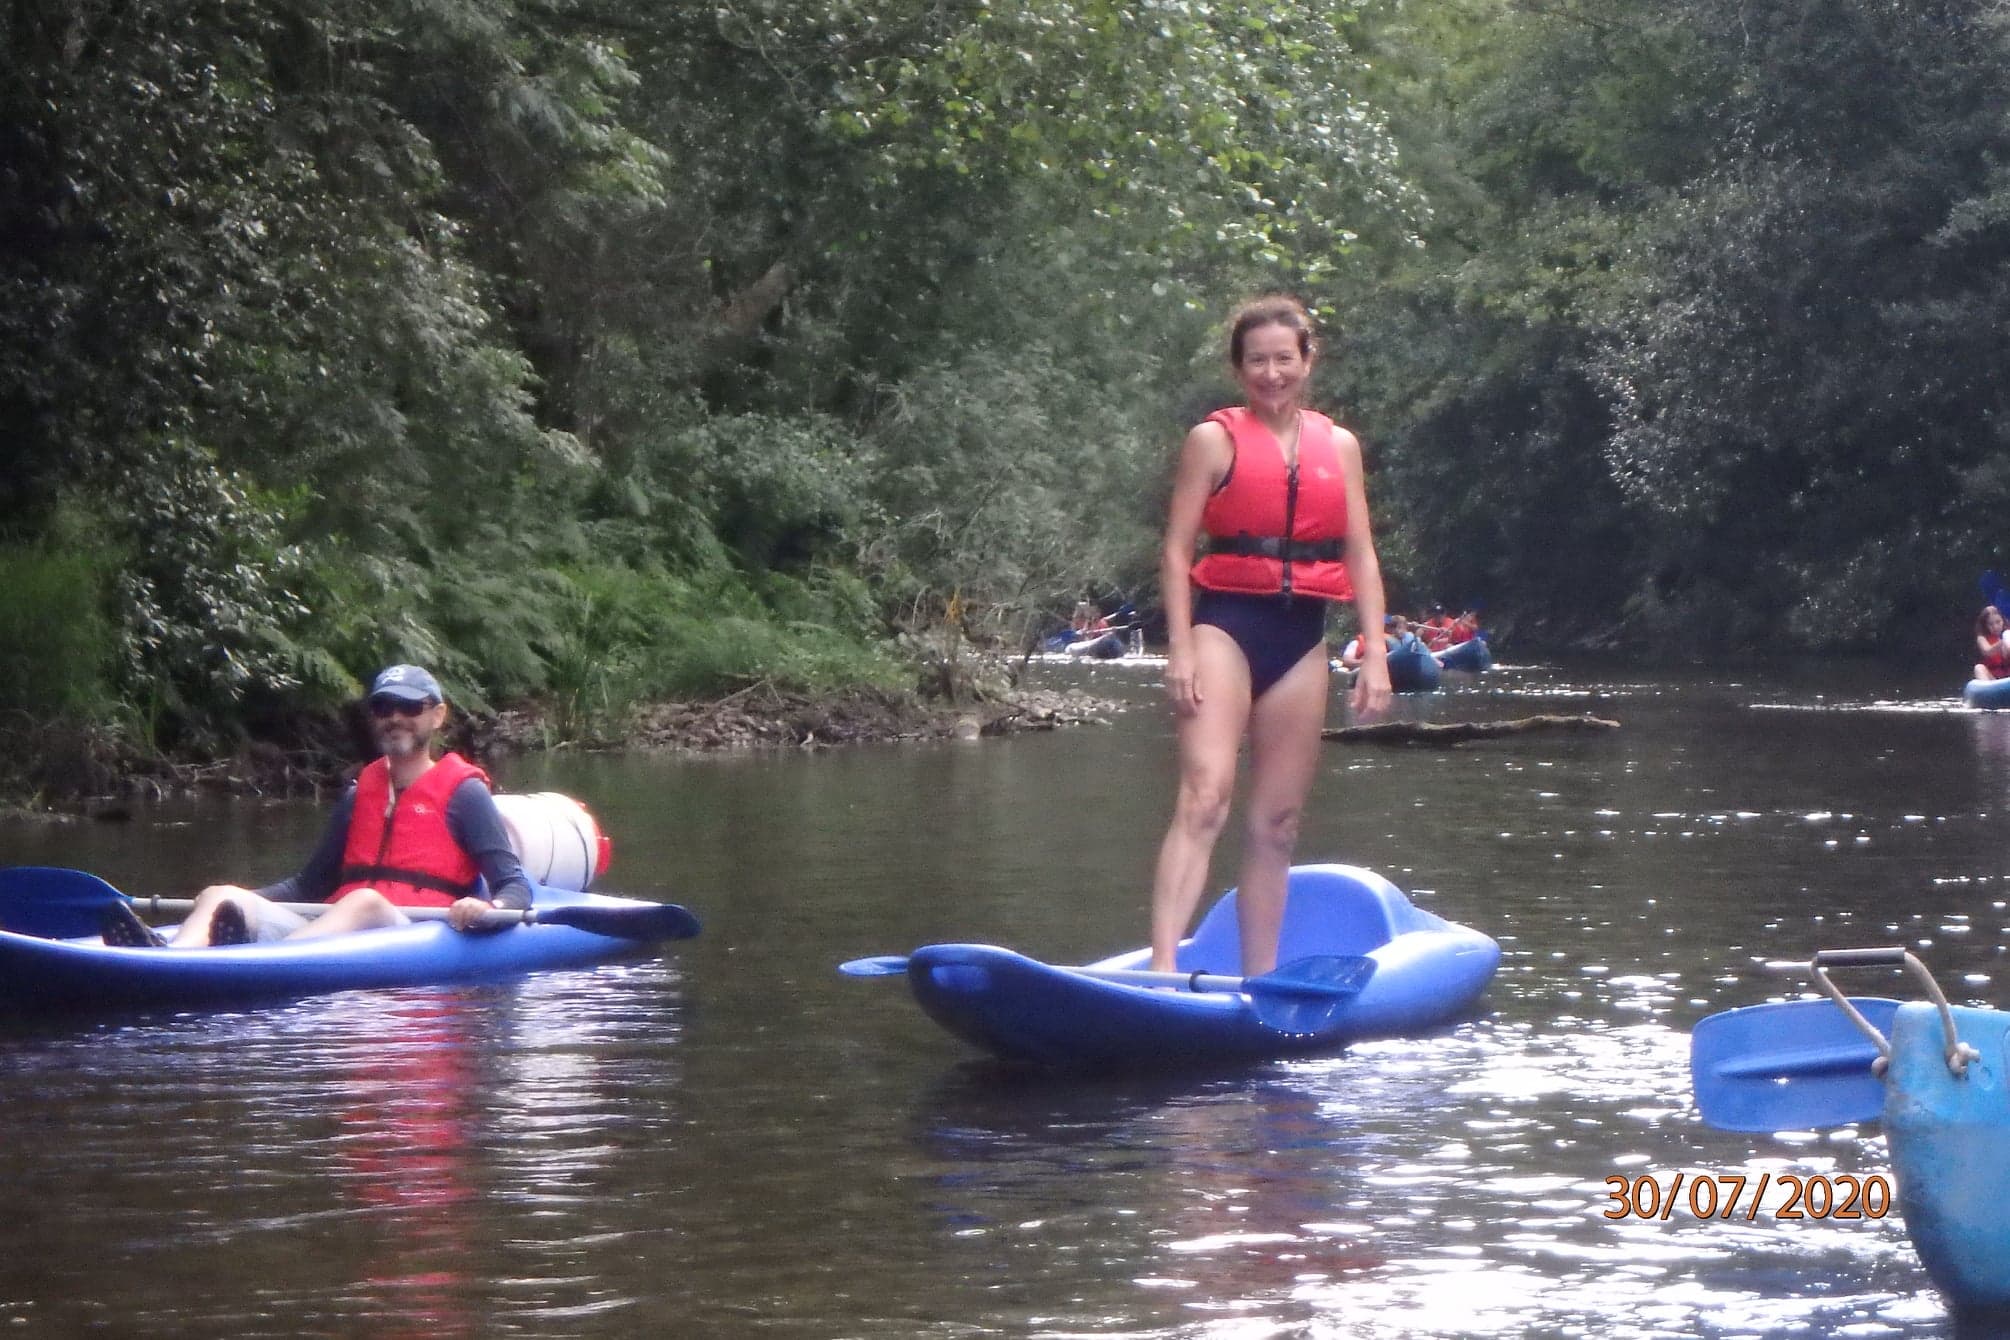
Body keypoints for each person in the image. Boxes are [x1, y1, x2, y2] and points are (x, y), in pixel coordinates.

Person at [1152, 294, 1391, 977]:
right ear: (1238, 369)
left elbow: (1361, 555)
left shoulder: (1338, 447)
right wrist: (1178, 649)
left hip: (1301, 639)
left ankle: (1260, 984)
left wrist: (1375, 655)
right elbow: (1175, 552)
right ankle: (1165, 969)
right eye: (1257, 361)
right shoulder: (1213, 440)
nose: (1272, 373)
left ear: (1308, 361)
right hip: (1224, 627)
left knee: (1277, 824)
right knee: (1205, 795)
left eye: (1285, 358)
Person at [100, 665, 532, 948]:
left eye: (409, 707)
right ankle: (171, 956)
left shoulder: (464, 794)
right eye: (383, 706)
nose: (394, 716)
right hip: (336, 932)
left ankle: (260, 960)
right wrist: (238, 901)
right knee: (221, 893)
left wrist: (487, 910)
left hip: (416, 934)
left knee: (365, 900)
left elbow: (514, 886)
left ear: (437, 716)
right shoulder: (358, 794)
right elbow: (309, 887)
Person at [1976, 606, 2010, 683]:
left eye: (1998, 622)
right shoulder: (1982, 638)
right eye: (1990, 624)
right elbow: (1987, 651)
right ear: (1985, 626)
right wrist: (2003, 642)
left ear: (2003, 621)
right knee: (1978, 668)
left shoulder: (2008, 634)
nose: (1995, 627)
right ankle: (1988, 692)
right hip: (1994, 681)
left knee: (2007, 633)